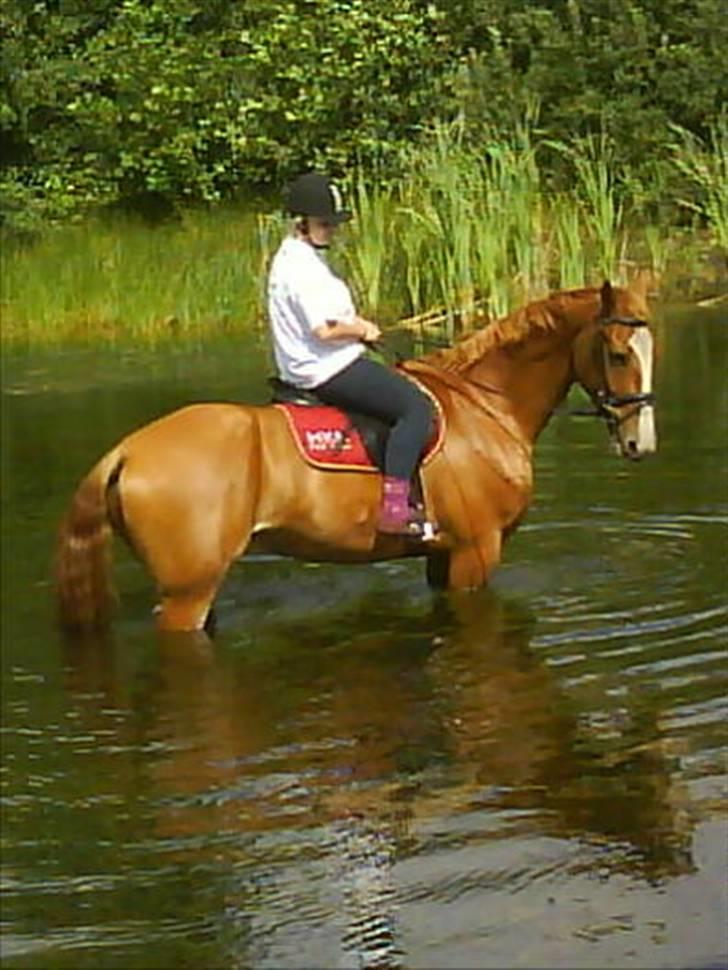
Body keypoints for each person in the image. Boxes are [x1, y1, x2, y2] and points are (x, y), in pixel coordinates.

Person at [267, 171, 435, 538]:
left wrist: (360, 325)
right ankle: (394, 508)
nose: (331, 230)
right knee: (415, 407)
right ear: (302, 222)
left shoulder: (298, 257)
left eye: (333, 223)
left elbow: (331, 318)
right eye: (324, 223)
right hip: (326, 368)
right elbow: (325, 330)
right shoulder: (300, 268)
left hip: (323, 361)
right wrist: (361, 330)